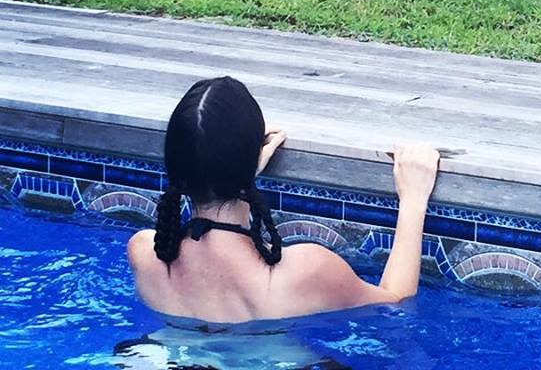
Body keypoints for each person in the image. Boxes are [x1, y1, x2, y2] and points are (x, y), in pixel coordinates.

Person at [127, 75, 440, 324]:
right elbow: (395, 302)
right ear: (247, 164)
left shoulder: (146, 255)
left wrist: (243, 174)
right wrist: (413, 200)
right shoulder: (306, 272)